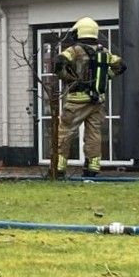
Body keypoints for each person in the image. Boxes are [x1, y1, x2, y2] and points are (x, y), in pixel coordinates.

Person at [53, 18, 124, 177]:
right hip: (97, 101)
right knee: (94, 134)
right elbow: (121, 66)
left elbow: (59, 62)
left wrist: (68, 78)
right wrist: (107, 76)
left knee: (65, 132)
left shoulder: (75, 50)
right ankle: (92, 168)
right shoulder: (104, 51)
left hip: (76, 101)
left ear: (79, 31)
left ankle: (59, 167)